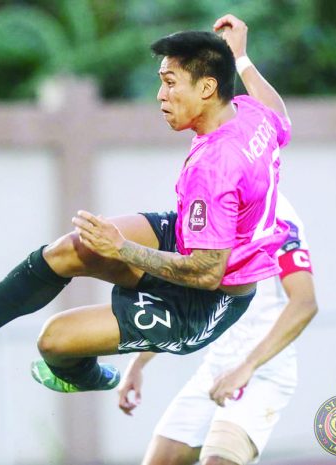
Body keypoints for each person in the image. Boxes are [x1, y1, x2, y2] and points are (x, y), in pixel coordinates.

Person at [0, 14, 292, 393]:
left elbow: (207, 273)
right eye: (161, 81)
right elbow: (280, 115)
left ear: (206, 89)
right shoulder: (250, 112)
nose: (161, 95)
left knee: (54, 341)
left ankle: (89, 376)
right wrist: (241, 58)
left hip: (209, 300)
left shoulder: (215, 168)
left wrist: (122, 249)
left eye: (171, 83)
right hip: (197, 243)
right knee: (73, 248)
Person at [117, 193, 317, 465]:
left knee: (218, 460)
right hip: (214, 370)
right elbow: (185, 294)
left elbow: (305, 303)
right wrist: (140, 361)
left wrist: (247, 366)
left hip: (262, 372)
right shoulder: (209, 203)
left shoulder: (275, 213)